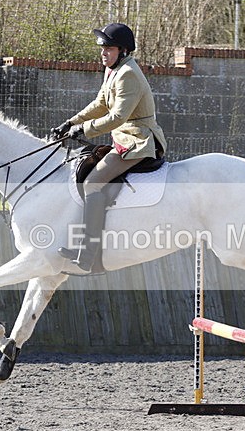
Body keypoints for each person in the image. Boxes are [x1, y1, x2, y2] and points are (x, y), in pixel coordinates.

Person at [51, 23, 167, 274]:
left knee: (93, 183)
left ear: (123, 50)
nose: (103, 53)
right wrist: (72, 122)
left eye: (108, 49)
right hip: (123, 138)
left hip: (138, 140)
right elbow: (100, 103)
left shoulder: (129, 75)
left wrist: (83, 130)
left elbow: (117, 117)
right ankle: (84, 244)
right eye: (102, 48)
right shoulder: (113, 71)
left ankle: (89, 256)